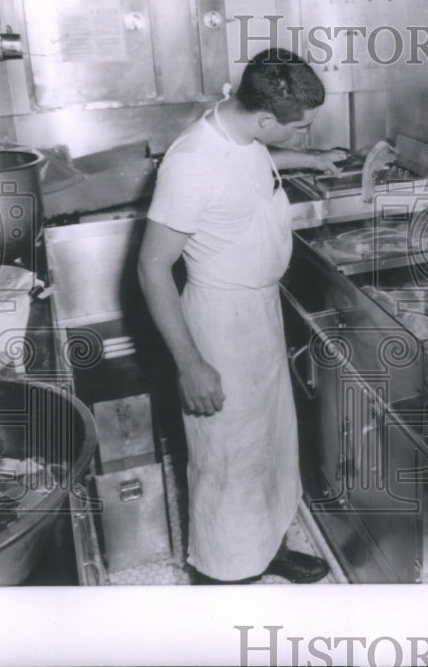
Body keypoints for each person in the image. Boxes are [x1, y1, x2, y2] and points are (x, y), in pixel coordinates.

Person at [138, 49, 345, 584]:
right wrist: (191, 365)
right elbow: (151, 269)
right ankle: (220, 575)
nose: (306, 133)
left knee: (268, 444)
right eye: (302, 128)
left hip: (260, 313)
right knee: (226, 457)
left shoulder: (243, 130)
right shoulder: (191, 163)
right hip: (219, 328)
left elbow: (252, 166)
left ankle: (262, 548)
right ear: (266, 118)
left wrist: (312, 159)